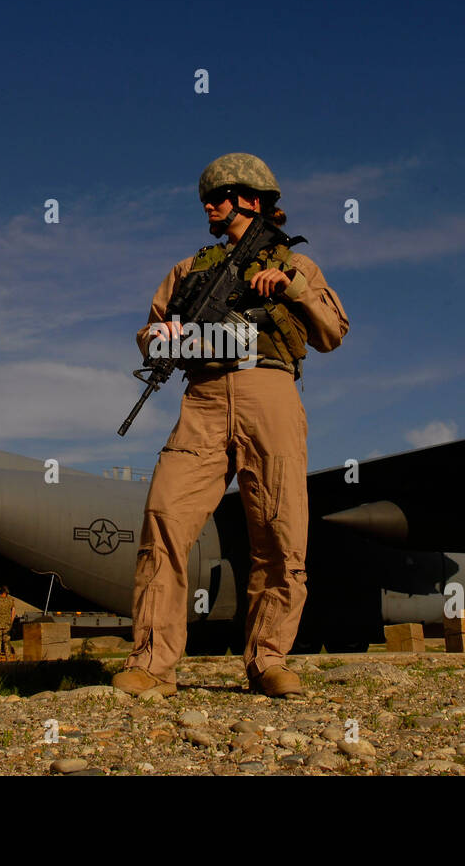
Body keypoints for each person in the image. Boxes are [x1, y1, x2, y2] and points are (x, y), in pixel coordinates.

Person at [111, 153, 349, 698]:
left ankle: (268, 660)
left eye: (221, 195)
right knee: (165, 520)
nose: (210, 205)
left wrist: (292, 289)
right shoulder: (188, 269)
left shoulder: (296, 264)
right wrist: (159, 339)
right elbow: (149, 329)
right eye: (207, 198)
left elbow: (333, 332)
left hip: (270, 391)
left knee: (280, 533)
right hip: (202, 399)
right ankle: (150, 665)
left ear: (253, 199)